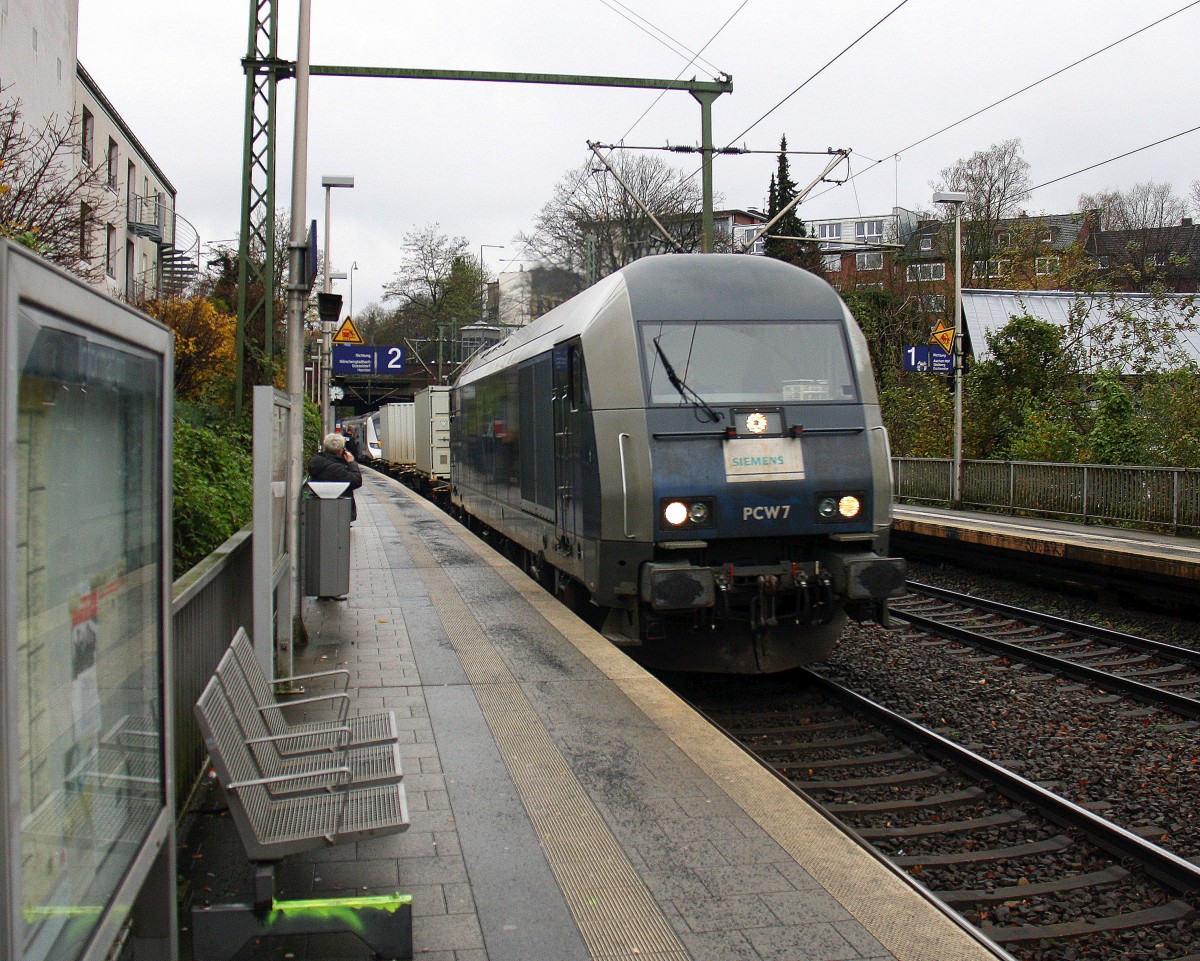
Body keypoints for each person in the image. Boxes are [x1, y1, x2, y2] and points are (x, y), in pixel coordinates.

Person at [309, 432, 363, 521]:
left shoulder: (317, 461)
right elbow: (356, 481)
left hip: (321, 508)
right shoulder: (336, 468)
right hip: (338, 511)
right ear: (341, 450)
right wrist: (351, 463)